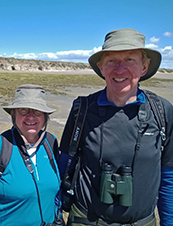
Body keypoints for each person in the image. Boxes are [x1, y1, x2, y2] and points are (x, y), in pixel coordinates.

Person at [58, 28, 173, 226]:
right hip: (85, 220)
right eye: (111, 61)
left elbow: (169, 176)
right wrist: (57, 213)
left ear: (144, 68)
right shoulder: (82, 109)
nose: (120, 70)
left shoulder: (162, 111)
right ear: (101, 68)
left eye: (130, 60)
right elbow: (64, 165)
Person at [0, 84, 61, 226]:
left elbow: (56, 194)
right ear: (14, 115)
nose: (31, 116)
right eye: (23, 110)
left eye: (37, 111)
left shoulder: (50, 142)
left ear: (45, 117)